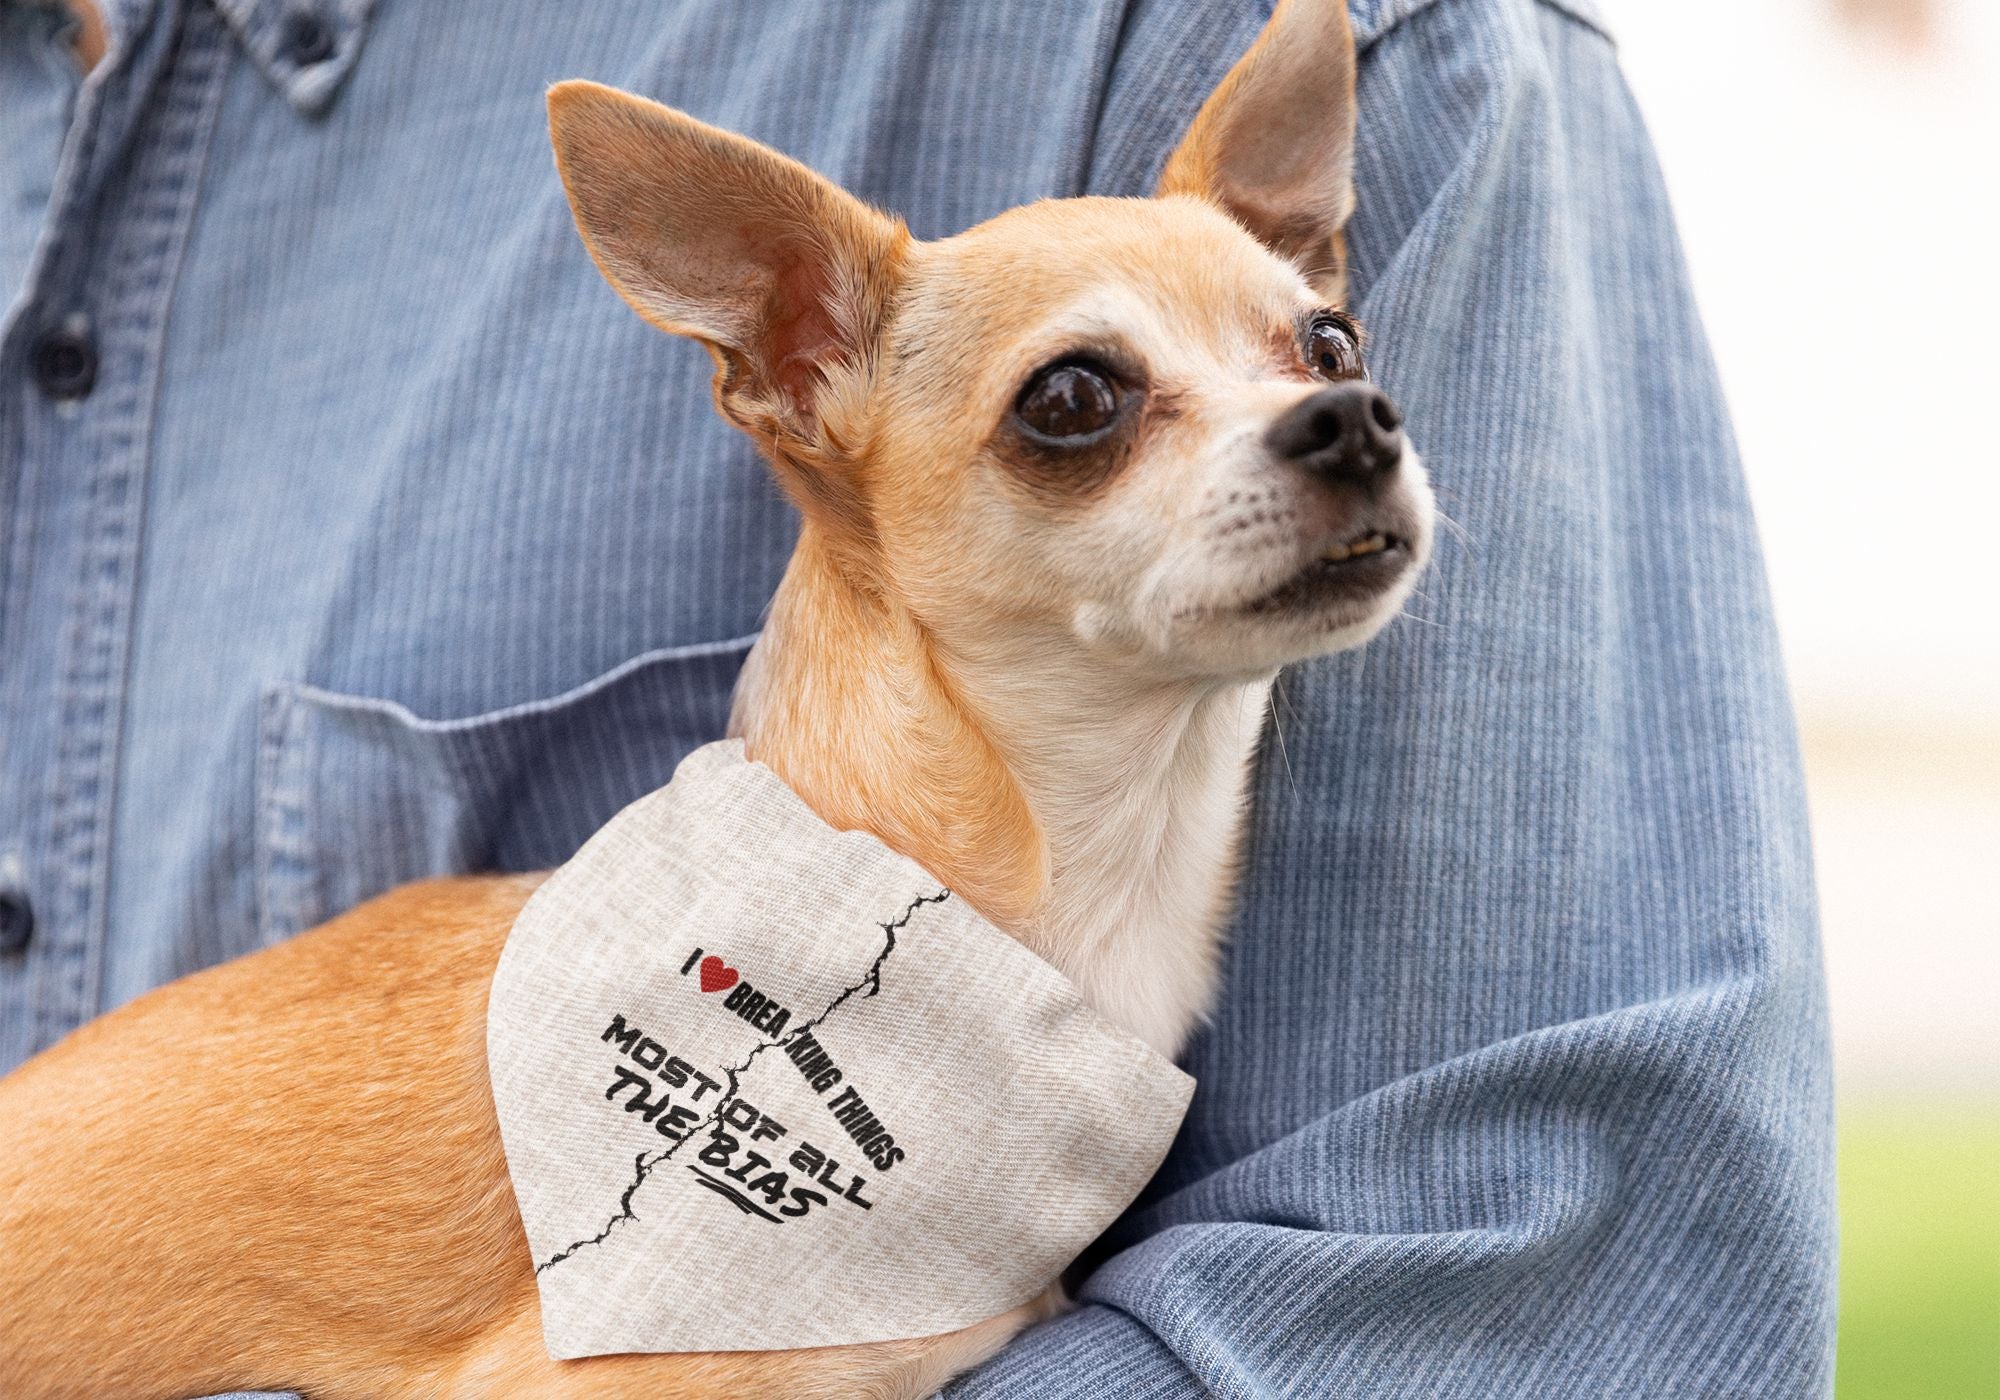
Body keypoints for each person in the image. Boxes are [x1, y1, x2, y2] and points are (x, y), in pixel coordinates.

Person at [0, 0, 1836, 1394]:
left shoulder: (1418, 52)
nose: (1323, 423)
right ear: (796, 368)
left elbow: (1546, 1285)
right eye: (1080, 407)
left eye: (1317, 349)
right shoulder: (744, 1163)